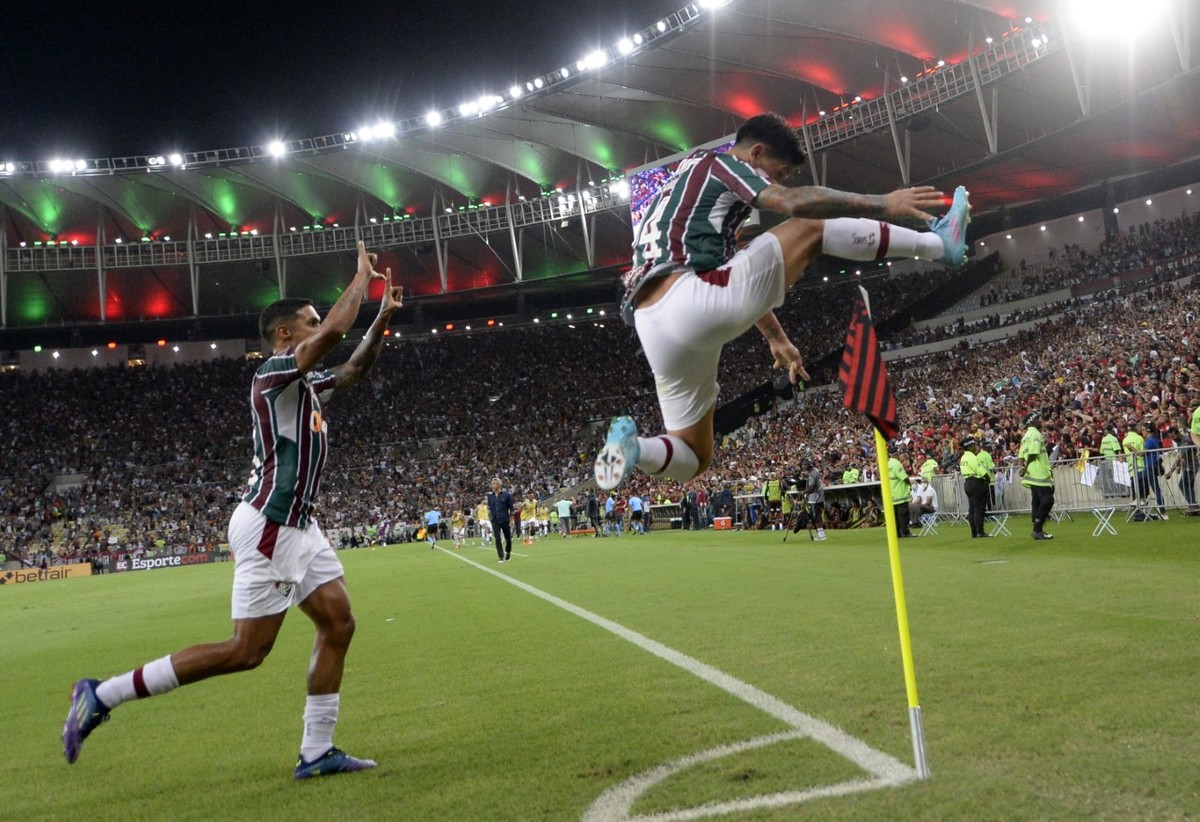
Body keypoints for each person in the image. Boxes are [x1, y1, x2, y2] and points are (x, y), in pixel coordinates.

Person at [62, 242, 401, 778]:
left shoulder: (305, 387)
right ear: (285, 335)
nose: (321, 328)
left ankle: (316, 752)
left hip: (301, 525)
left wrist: (381, 318)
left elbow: (353, 368)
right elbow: (337, 332)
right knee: (246, 651)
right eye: (309, 323)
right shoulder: (271, 375)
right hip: (271, 523)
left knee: (338, 623)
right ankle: (101, 694)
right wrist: (361, 281)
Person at [593, 112, 969, 491]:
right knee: (811, 226)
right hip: (690, 295)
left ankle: (634, 449)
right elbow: (793, 204)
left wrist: (775, 337)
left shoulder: (680, 192)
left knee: (694, 456)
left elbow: (736, 271)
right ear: (755, 153)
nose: (775, 182)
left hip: (651, 322)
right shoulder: (722, 164)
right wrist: (882, 203)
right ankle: (938, 246)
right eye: (778, 172)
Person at [1018, 412, 1055, 540]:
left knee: (1037, 500)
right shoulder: (1035, 434)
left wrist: (1023, 467)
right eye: (1038, 419)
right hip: (1039, 473)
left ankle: (1037, 524)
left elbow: (1021, 455)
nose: (1040, 421)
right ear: (1033, 421)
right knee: (1048, 500)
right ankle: (1037, 528)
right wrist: (1026, 466)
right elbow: (1033, 453)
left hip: (1031, 474)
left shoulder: (1025, 436)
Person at [960, 437, 991, 538]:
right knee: (979, 509)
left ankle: (974, 532)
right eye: (974, 445)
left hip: (967, 483)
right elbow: (980, 470)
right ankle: (980, 532)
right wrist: (987, 478)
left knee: (972, 509)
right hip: (976, 482)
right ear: (970, 446)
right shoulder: (972, 457)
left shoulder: (963, 458)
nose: (975, 447)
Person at [486, 478, 514, 562]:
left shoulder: (507, 495)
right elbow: (490, 508)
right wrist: (490, 516)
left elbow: (511, 509)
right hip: (495, 520)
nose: (492, 485)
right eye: (492, 483)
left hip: (505, 519)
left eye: (494, 483)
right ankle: (501, 557)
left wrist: (511, 520)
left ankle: (508, 552)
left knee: (508, 538)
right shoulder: (490, 497)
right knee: (497, 538)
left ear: (498, 485)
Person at [888, 452, 913, 537]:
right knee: (904, 516)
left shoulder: (888, 463)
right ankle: (905, 532)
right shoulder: (897, 464)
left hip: (891, 495)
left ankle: (897, 533)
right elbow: (904, 477)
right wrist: (910, 484)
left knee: (895, 517)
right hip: (900, 495)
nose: (902, 460)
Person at [804, 461, 827, 541]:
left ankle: (821, 535)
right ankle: (821, 534)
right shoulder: (816, 470)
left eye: (805, 465)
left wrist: (803, 492)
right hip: (820, 496)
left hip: (815, 498)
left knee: (816, 517)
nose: (803, 466)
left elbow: (811, 488)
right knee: (818, 516)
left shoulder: (812, 475)